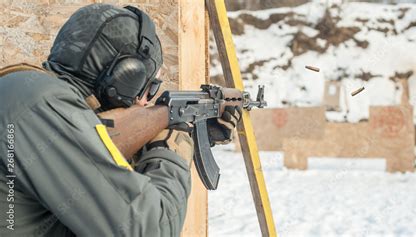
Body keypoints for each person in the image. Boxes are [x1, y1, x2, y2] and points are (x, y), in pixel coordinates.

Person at [0, 4, 240, 236]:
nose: (146, 102)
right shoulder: (39, 105)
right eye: (149, 87)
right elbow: (148, 230)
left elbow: (98, 185)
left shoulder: (28, 94)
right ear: (125, 79)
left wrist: (193, 130)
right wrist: (172, 151)